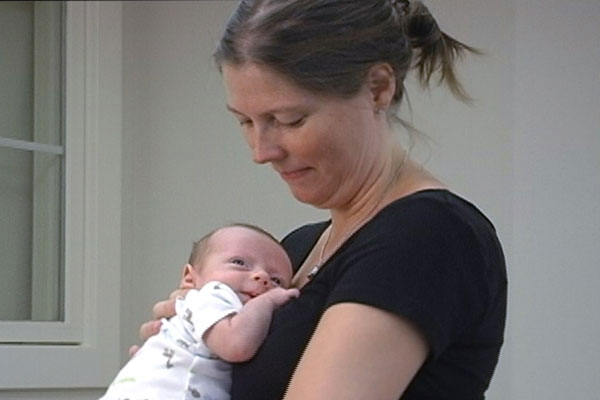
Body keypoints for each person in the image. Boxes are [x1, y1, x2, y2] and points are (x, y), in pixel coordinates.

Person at [134, 0, 508, 399]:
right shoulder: (292, 251)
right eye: (245, 121)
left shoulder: (426, 236)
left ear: (378, 88)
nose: (261, 151)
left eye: (289, 120)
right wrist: (186, 351)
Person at [101, 223, 299, 400]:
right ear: (189, 278)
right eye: (239, 263)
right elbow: (236, 345)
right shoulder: (211, 295)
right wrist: (269, 299)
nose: (262, 276)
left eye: (276, 280)